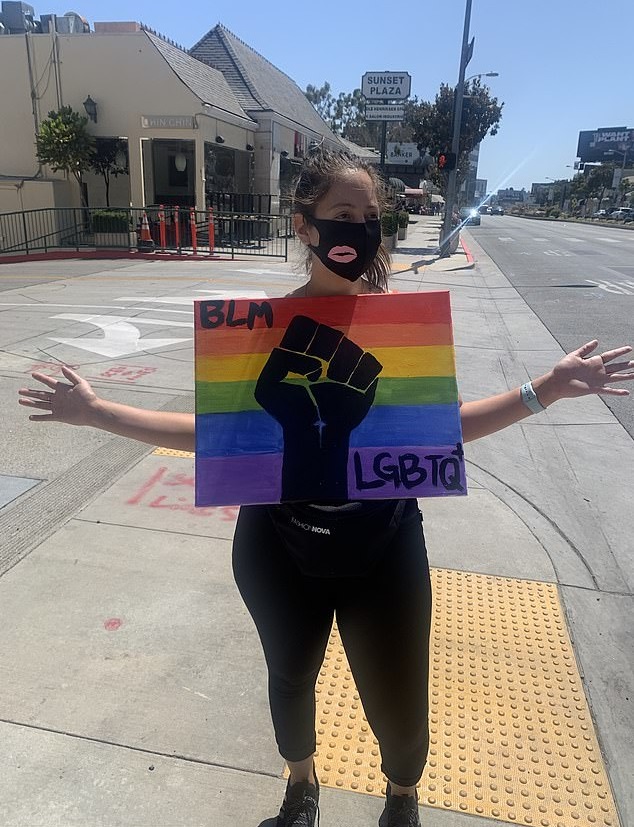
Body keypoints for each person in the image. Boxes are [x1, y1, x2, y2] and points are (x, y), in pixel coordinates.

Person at [18, 148, 634, 827]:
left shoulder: (402, 328)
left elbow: (442, 431)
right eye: (344, 214)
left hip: (383, 544)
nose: (359, 229)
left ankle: (402, 799)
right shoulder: (257, 329)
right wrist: (99, 411)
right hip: (278, 545)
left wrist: (545, 389)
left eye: (370, 217)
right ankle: (302, 787)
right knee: (289, 678)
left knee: (401, 705)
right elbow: (217, 435)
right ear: (304, 224)